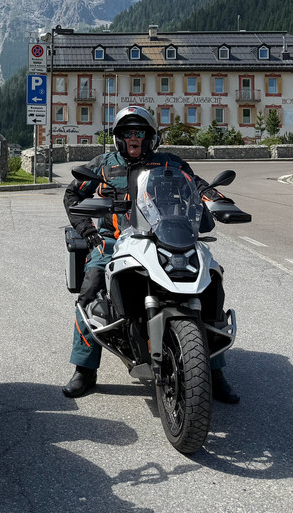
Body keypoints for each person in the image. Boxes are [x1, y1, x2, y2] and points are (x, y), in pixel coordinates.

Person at [61, 105, 239, 404]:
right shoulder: (104, 164)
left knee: (207, 282)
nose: (135, 138)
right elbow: (72, 195)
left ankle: (213, 371)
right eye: (128, 133)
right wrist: (87, 231)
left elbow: (198, 188)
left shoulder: (168, 163)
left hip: (166, 237)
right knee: (90, 290)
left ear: (151, 136)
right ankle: (85, 369)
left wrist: (221, 203)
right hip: (114, 240)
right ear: (118, 137)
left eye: (141, 133)